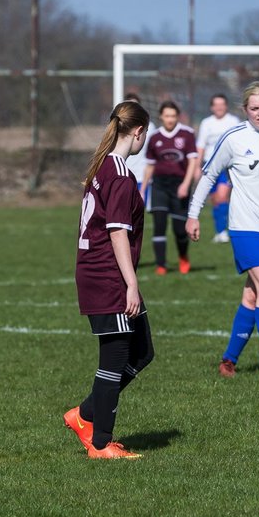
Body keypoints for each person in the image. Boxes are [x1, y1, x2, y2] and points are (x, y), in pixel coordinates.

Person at [186, 81, 259, 380]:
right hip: (245, 226)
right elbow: (210, 175)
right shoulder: (234, 138)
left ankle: (228, 360)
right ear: (245, 110)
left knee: (253, 295)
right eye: (254, 109)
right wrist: (193, 215)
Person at [63, 99, 155, 460]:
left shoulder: (105, 166)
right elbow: (117, 233)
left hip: (105, 272)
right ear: (138, 132)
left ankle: (85, 414)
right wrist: (131, 283)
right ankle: (101, 442)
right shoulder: (118, 174)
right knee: (115, 359)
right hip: (108, 276)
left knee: (142, 350)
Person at [139, 100, 198, 276]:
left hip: (179, 185)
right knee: (159, 224)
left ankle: (183, 256)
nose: (170, 119)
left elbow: (193, 161)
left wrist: (186, 185)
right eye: (167, 116)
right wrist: (142, 189)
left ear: (177, 116)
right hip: (159, 185)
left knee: (180, 230)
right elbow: (150, 165)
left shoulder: (187, 134)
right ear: (161, 117)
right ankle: (161, 265)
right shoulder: (155, 137)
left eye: (173, 116)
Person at [195, 93, 243, 243]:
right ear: (212, 107)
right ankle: (220, 231)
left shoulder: (233, 121)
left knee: (223, 196)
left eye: (221, 104)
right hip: (209, 165)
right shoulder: (206, 123)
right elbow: (201, 146)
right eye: (216, 104)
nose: (219, 107)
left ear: (226, 106)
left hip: (227, 166)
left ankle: (225, 231)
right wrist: (197, 167)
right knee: (215, 199)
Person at [122, 91, 158, 192]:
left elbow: (153, 154)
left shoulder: (150, 127)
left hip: (142, 177)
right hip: (123, 175)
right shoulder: (119, 125)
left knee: (140, 207)